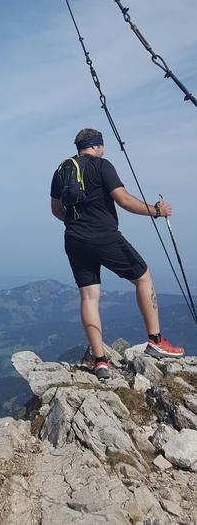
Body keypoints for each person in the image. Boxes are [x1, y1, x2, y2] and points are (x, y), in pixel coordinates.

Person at [50, 127, 184, 379]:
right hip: (104, 236)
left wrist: (78, 227)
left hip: (74, 239)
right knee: (143, 276)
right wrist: (156, 210)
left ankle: (100, 361)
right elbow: (124, 200)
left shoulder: (61, 170)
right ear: (97, 145)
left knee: (89, 296)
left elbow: (56, 210)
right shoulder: (102, 165)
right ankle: (155, 340)